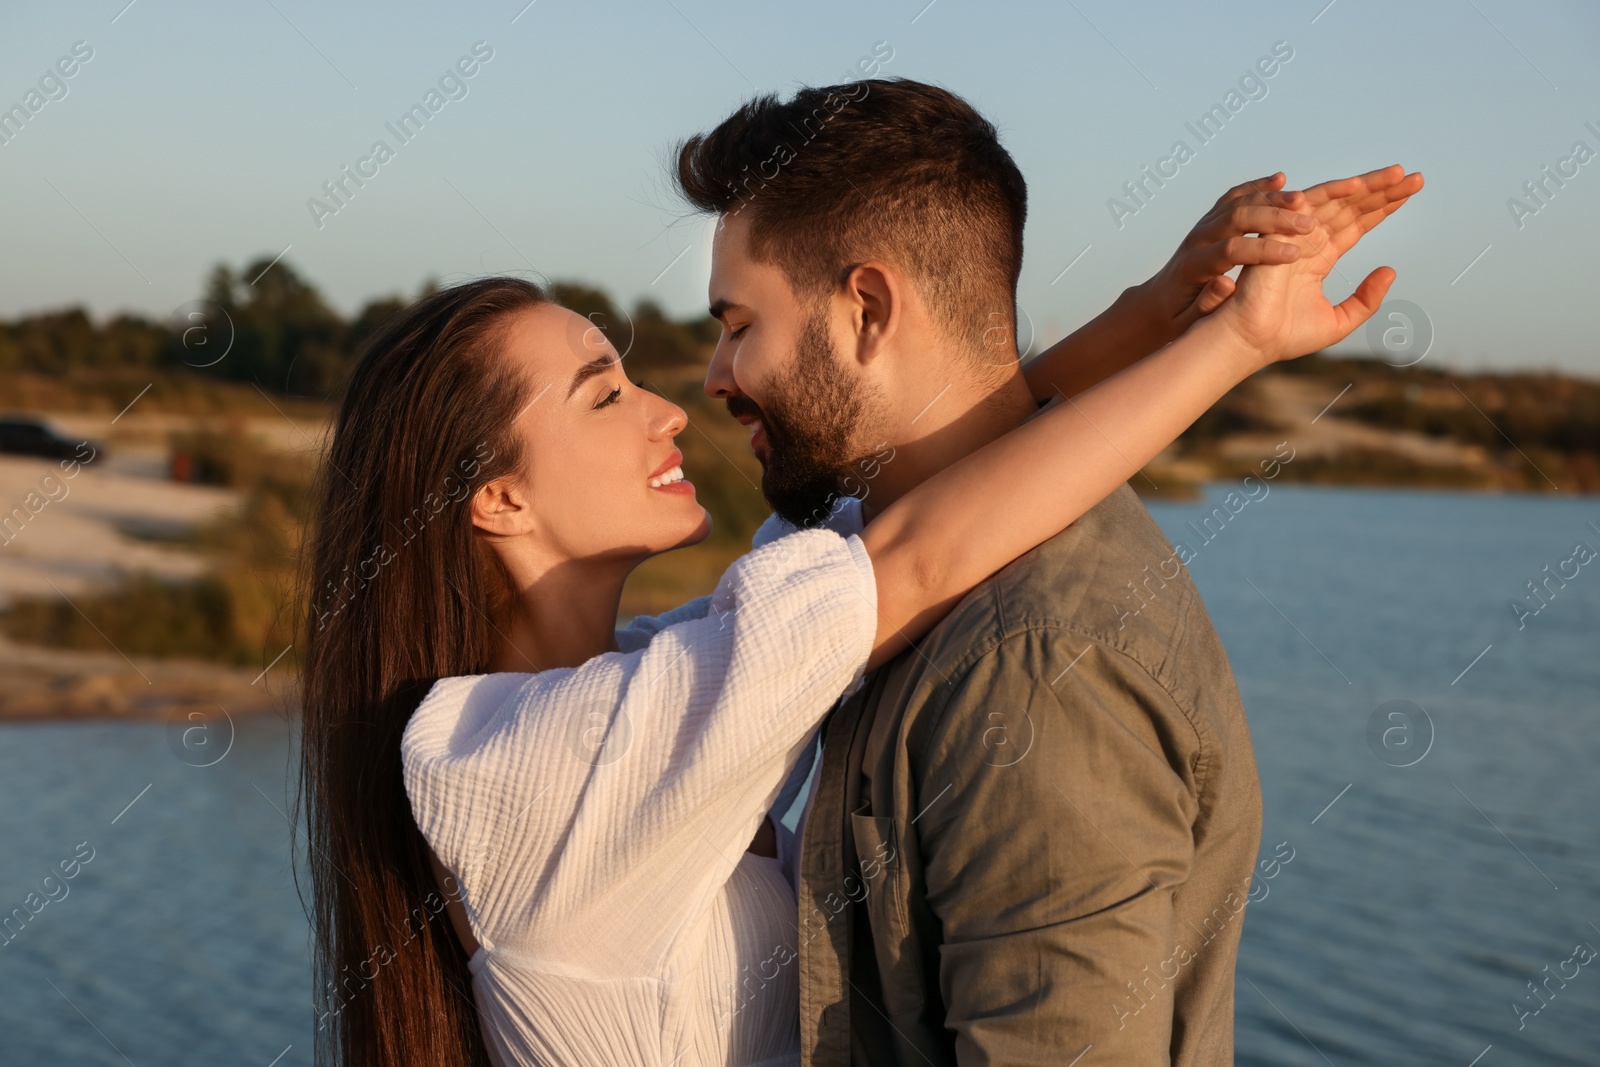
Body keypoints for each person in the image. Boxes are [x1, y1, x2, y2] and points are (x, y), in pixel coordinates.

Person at [296, 89, 1418, 1067]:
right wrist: (1234, 347)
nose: (680, 398)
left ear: (868, 308)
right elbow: (914, 553)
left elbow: (907, 512)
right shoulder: (537, 759)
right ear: (497, 500)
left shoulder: (649, 677)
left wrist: (1164, 307)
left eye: (732, 327)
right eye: (603, 393)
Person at [672, 77, 1421, 1066]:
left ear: (866, 309)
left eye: (736, 325)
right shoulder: (871, 556)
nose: (715, 376)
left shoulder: (1031, 672)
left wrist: (1209, 333)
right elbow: (987, 430)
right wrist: (1166, 315)